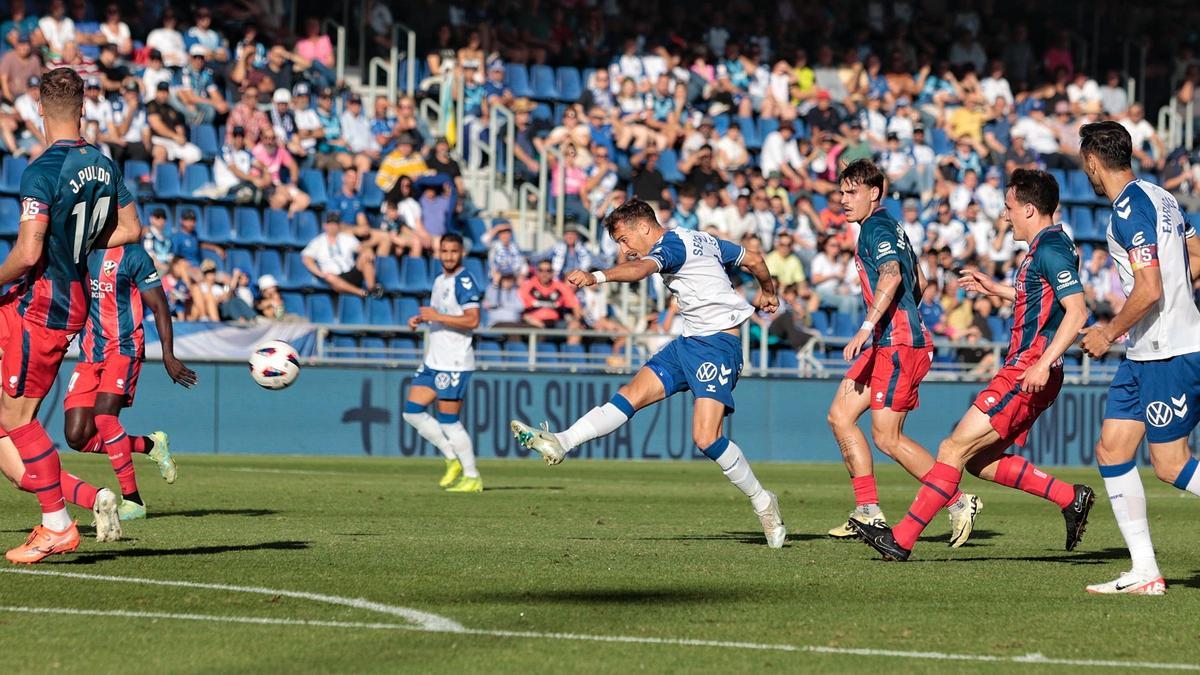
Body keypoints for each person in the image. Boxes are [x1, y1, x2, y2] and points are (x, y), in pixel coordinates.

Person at [510, 199, 787, 549]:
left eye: (624, 239)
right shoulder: (701, 238)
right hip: (688, 342)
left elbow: (642, 270)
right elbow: (756, 260)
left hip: (717, 346)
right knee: (630, 394)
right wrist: (768, 292)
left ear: (644, 227)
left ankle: (763, 502)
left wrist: (596, 276)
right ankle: (563, 441)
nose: (624, 249)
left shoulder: (669, 246)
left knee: (706, 438)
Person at [851, 169, 1095, 561]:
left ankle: (900, 540)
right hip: (1030, 367)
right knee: (980, 461)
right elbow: (1040, 300)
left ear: (1030, 209)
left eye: (1009, 207)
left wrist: (1043, 364)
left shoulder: (1049, 249)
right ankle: (1071, 497)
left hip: (1027, 369)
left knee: (952, 447)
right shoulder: (1052, 245)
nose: (1004, 216)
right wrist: (996, 289)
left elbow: (1077, 311)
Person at [1, 67, 143, 564]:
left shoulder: (41, 171)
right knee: (6, 416)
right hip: (61, 299)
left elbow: (27, 249)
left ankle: (57, 525)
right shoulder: (104, 165)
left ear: (39, 108)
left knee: (15, 418)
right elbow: (131, 228)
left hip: (45, 303)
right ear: (83, 109)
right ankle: (72, 508)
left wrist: (57, 244)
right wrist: (80, 243)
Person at [824, 160, 982, 544]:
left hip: (897, 345)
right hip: (888, 339)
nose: (843, 200)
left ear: (874, 193)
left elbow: (894, 274)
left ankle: (957, 500)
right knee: (840, 415)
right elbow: (921, 279)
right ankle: (868, 510)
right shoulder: (891, 225)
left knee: (887, 437)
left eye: (852, 192)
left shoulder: (874, 228)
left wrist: (867, 326)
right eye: (841, 192)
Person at [1077, 121, 1200, 595]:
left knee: (1170, 465)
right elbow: (1195, 252)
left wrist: (1108, 331)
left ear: (1093, 161)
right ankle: (1145, 571)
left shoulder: (1127, 211)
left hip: (1168, 351)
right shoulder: (1160, 196)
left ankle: (1146, 571)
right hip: (1144, 352)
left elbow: (1149, 288)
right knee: (1112, 449)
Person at [63, 244, 196, 520]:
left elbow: (159, 306)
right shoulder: (83, 251)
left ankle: (133, 501)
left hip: (124, 348)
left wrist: (168, 355)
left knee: (104, 418)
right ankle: (151, 445)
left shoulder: (133, 255)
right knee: (76, 437)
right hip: (90, 351)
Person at [403, 234, 484, 493]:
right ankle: (452, 458)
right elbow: (443, 316)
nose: (448, 255)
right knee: (412, 412)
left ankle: (472, 476)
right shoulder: (440, 280)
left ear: (461, 253)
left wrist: (437, 315)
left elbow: (472, 320)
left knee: (449, 421)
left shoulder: (465, 280)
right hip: (435, 359)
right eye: (444, 251)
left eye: (453, 251)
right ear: (438, 253)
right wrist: (423, 319)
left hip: (455, 362)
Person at [302, 212, 380, 299]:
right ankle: (362, 293)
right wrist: (319, 273)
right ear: (325, 226)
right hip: (334, 276)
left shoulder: (346, 238)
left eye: (335, 224)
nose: (333, 227)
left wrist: (367, 251)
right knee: (330, 277)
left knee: (365, 258)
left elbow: (360, 247)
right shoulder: (318, 242)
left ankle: (372, 289)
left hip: (350, 270)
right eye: (330, 224)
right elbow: (307, 257)